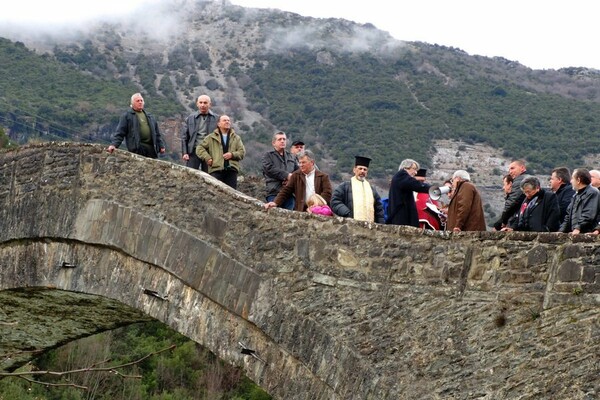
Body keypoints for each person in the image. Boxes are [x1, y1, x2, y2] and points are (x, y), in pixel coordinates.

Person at [264, 150, 332, 212]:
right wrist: (275, 202)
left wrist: (316, 206)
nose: (301, 165)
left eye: (304, 162)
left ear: (312, 162)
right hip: (301, 210)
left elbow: (327, 193)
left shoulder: (323, 177)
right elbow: (286, 190)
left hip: (320, 211)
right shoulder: (296, 175)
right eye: (300, 163)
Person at [107, 93, 166, 158]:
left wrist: (161, 146)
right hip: (138, 149)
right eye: (137, 101)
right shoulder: (127, 116)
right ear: (132, 103)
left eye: (141, 100)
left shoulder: (150, 116)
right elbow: (120, 133)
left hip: (151, 149)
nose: (140, 102)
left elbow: (157, 134)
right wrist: (114, 145)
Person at [330, 156, 385, 223]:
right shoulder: (345, 186)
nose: (362, 171)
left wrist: (381, 224)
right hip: (351, 224)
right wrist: (347, 213)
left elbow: (379, 209)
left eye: (365, 169)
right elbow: (334, 201)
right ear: (354, 170)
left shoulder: (372, 189)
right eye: (360, 168)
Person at [196, 115, 245, 189]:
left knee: (231, 194)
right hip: (216, 169)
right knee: (215, 193)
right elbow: (199, 148)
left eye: (228, 120)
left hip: (231, 170)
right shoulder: (211, 137)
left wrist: (232, 155)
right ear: (219, 124)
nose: (227, 122)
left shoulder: (236, 138)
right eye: (224, 120)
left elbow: (242, 152)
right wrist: (207, 158)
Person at [385, 159, 430, 227]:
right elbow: (417, 185)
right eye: (414, 169)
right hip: (401, 218)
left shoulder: (400, 178)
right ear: (405, 168)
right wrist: (433, 189)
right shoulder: (402, 176)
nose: (415, 173)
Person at [261, 131, 298, 210]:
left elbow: (298, 171)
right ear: (273, 143)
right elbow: (269, 169)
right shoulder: (268, 156)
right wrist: (286, 175)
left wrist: (291, 179)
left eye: (284, 139)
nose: (282, 141)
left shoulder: (292, 157)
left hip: (289, 194)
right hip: (274, 192)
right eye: (280, 139)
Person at [181, 95, 218, 172]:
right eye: (200, 102)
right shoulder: (190, 118)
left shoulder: (217, 119)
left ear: (210, 104)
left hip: (209, 152)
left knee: (210, 176)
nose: (202, 105)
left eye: (205, 103)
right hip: (194, 151)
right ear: (197, 104)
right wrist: (185, 152)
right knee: (190, 174)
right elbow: (184, 137)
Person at [559, 168, 600, 234]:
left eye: (572, 178)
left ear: (578, 180)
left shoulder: (592, 192)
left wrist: (578, 227)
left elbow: (588, 213)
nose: (570, 181)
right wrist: (561, 231)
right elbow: (568, 216)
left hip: (587, 233)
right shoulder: (575, 195)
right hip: (576, 232)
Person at [493, 160, 527, 230]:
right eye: (509, 169)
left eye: (512, 168)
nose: (510, 172)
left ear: (522, 168)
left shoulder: (520, 180)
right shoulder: (525, 179)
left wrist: (502, 221)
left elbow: (512, 201)